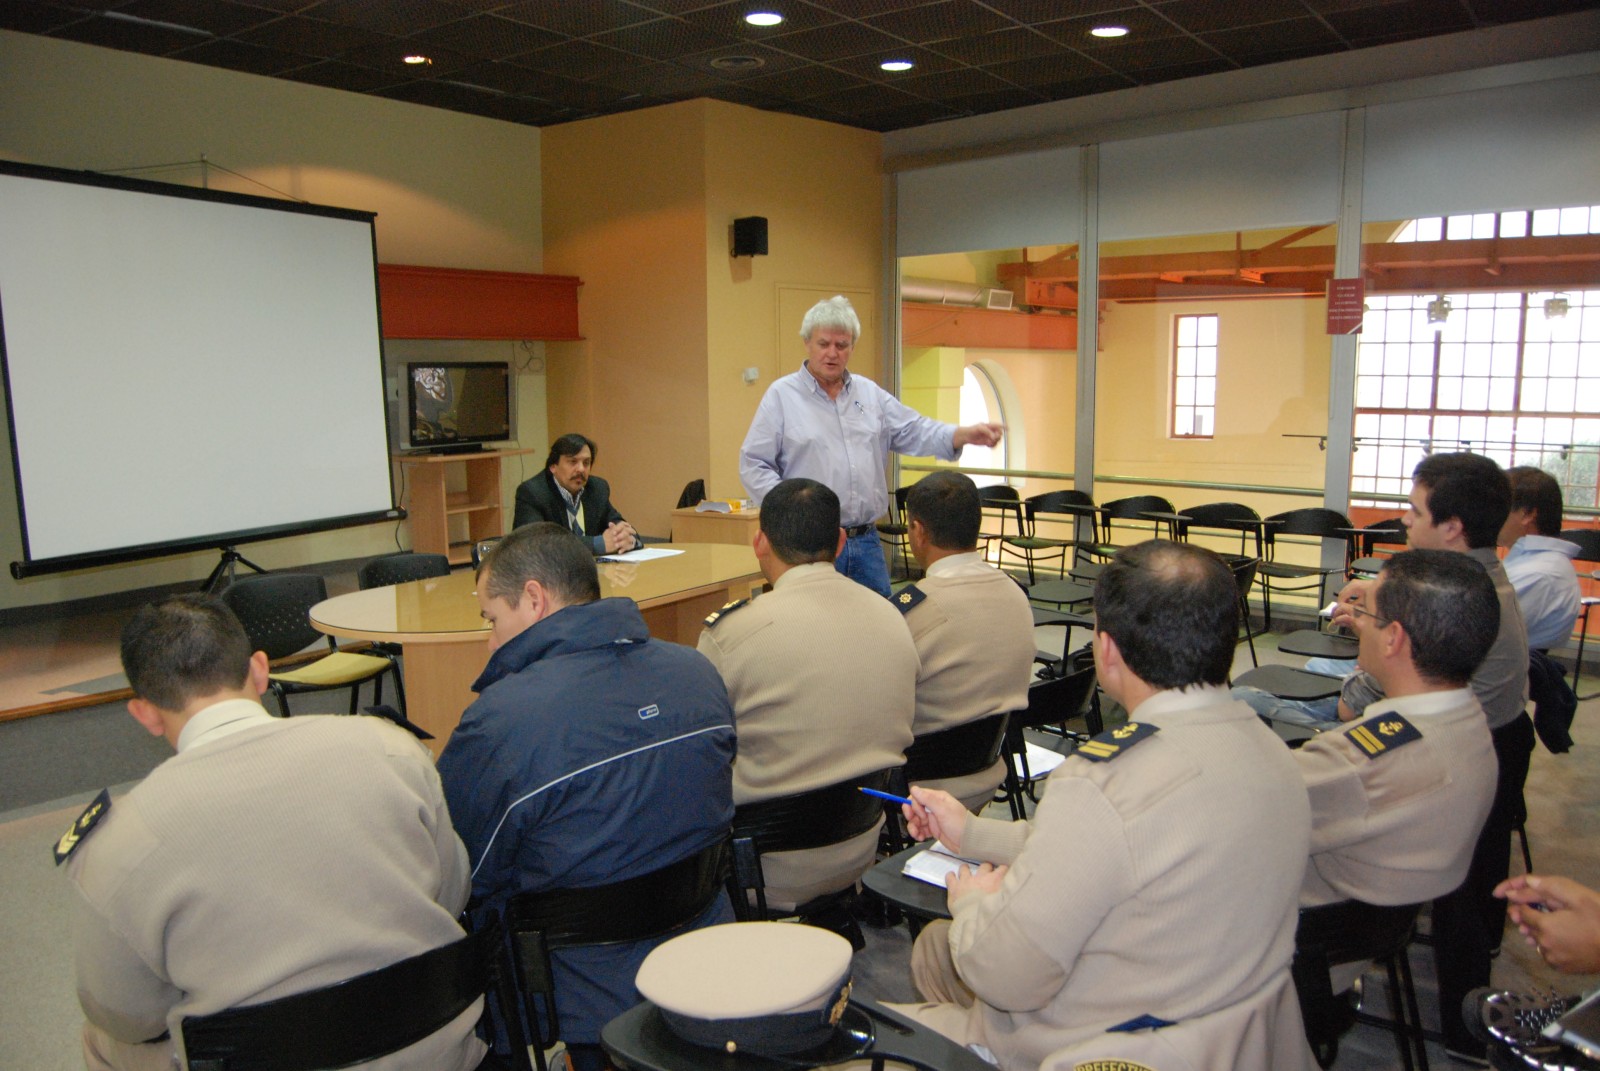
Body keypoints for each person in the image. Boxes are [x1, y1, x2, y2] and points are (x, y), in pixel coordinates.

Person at [893, 541, 1313, 1071]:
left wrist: (972, 904)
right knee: (938, 950)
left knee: (866, 1020)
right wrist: (971, 833)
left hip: (1094, 1044)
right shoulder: (1275, 753)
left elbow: (1005, 975)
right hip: (1229, 1029)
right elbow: (1121, 844)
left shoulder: (1099, 783)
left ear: (1107, 650)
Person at [62, 594, 483, 1071]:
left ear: (146, 714)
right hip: (435, 1047)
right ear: (260, 670)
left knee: (101, 1040)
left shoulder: (118, 843)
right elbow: (452, 894)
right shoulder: (391, 750)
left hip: (257, 1056)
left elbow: (128, 1016)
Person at [436, 523, 736, 1070]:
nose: (488, 640)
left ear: (533, 599)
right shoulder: (696, 672)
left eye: (491, 618)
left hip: (577, 988)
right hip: (706, 942)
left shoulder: (501, 722)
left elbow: (461, 874)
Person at [696, 477, 917, 911]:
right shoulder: (893, 618)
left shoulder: (730, 635)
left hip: (763, 867)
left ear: (759, 542)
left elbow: (705, 754)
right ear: (839, 543)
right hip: (862, 847)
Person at [738, 295, 1004, 596]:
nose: (832, 353)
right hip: (810, 545)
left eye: (842, 345)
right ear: (807, 343)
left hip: (866, 541)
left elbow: (913, 429)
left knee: (880, 626)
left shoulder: (869, 394)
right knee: (818, 628)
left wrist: (962, 434)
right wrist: (789, 511)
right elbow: (753, 463)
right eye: (824, 344)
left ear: (852, 346)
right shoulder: (781, 397)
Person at [1294, 549, 1499, 909]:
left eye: (1366, 612)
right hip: (1386, 908)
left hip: (1309, 926)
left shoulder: (1357, 759)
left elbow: (1250, 808)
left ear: (1393, 638)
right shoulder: (1470, 717)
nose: (1358, 621)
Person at [895, 470, 1035, 811]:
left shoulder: (911, 611)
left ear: (918, 531)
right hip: (990, 771)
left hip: (921, 790)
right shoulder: (1016, 594)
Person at [512, 433, 640, 555]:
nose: (581, 469)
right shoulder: (533, 492)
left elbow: (620, 526)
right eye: (573, 462)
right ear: (553, 466)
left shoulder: (597, 489)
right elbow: (533, 544)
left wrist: (627, 538)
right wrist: (597, 544)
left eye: (586, 463)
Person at [1500, 465, 1581, 652]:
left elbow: (1470, 636)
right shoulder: (1535, 565)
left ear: (1528, 514)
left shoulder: (1539, 575)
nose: (1490, 515)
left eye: (1499, 507)